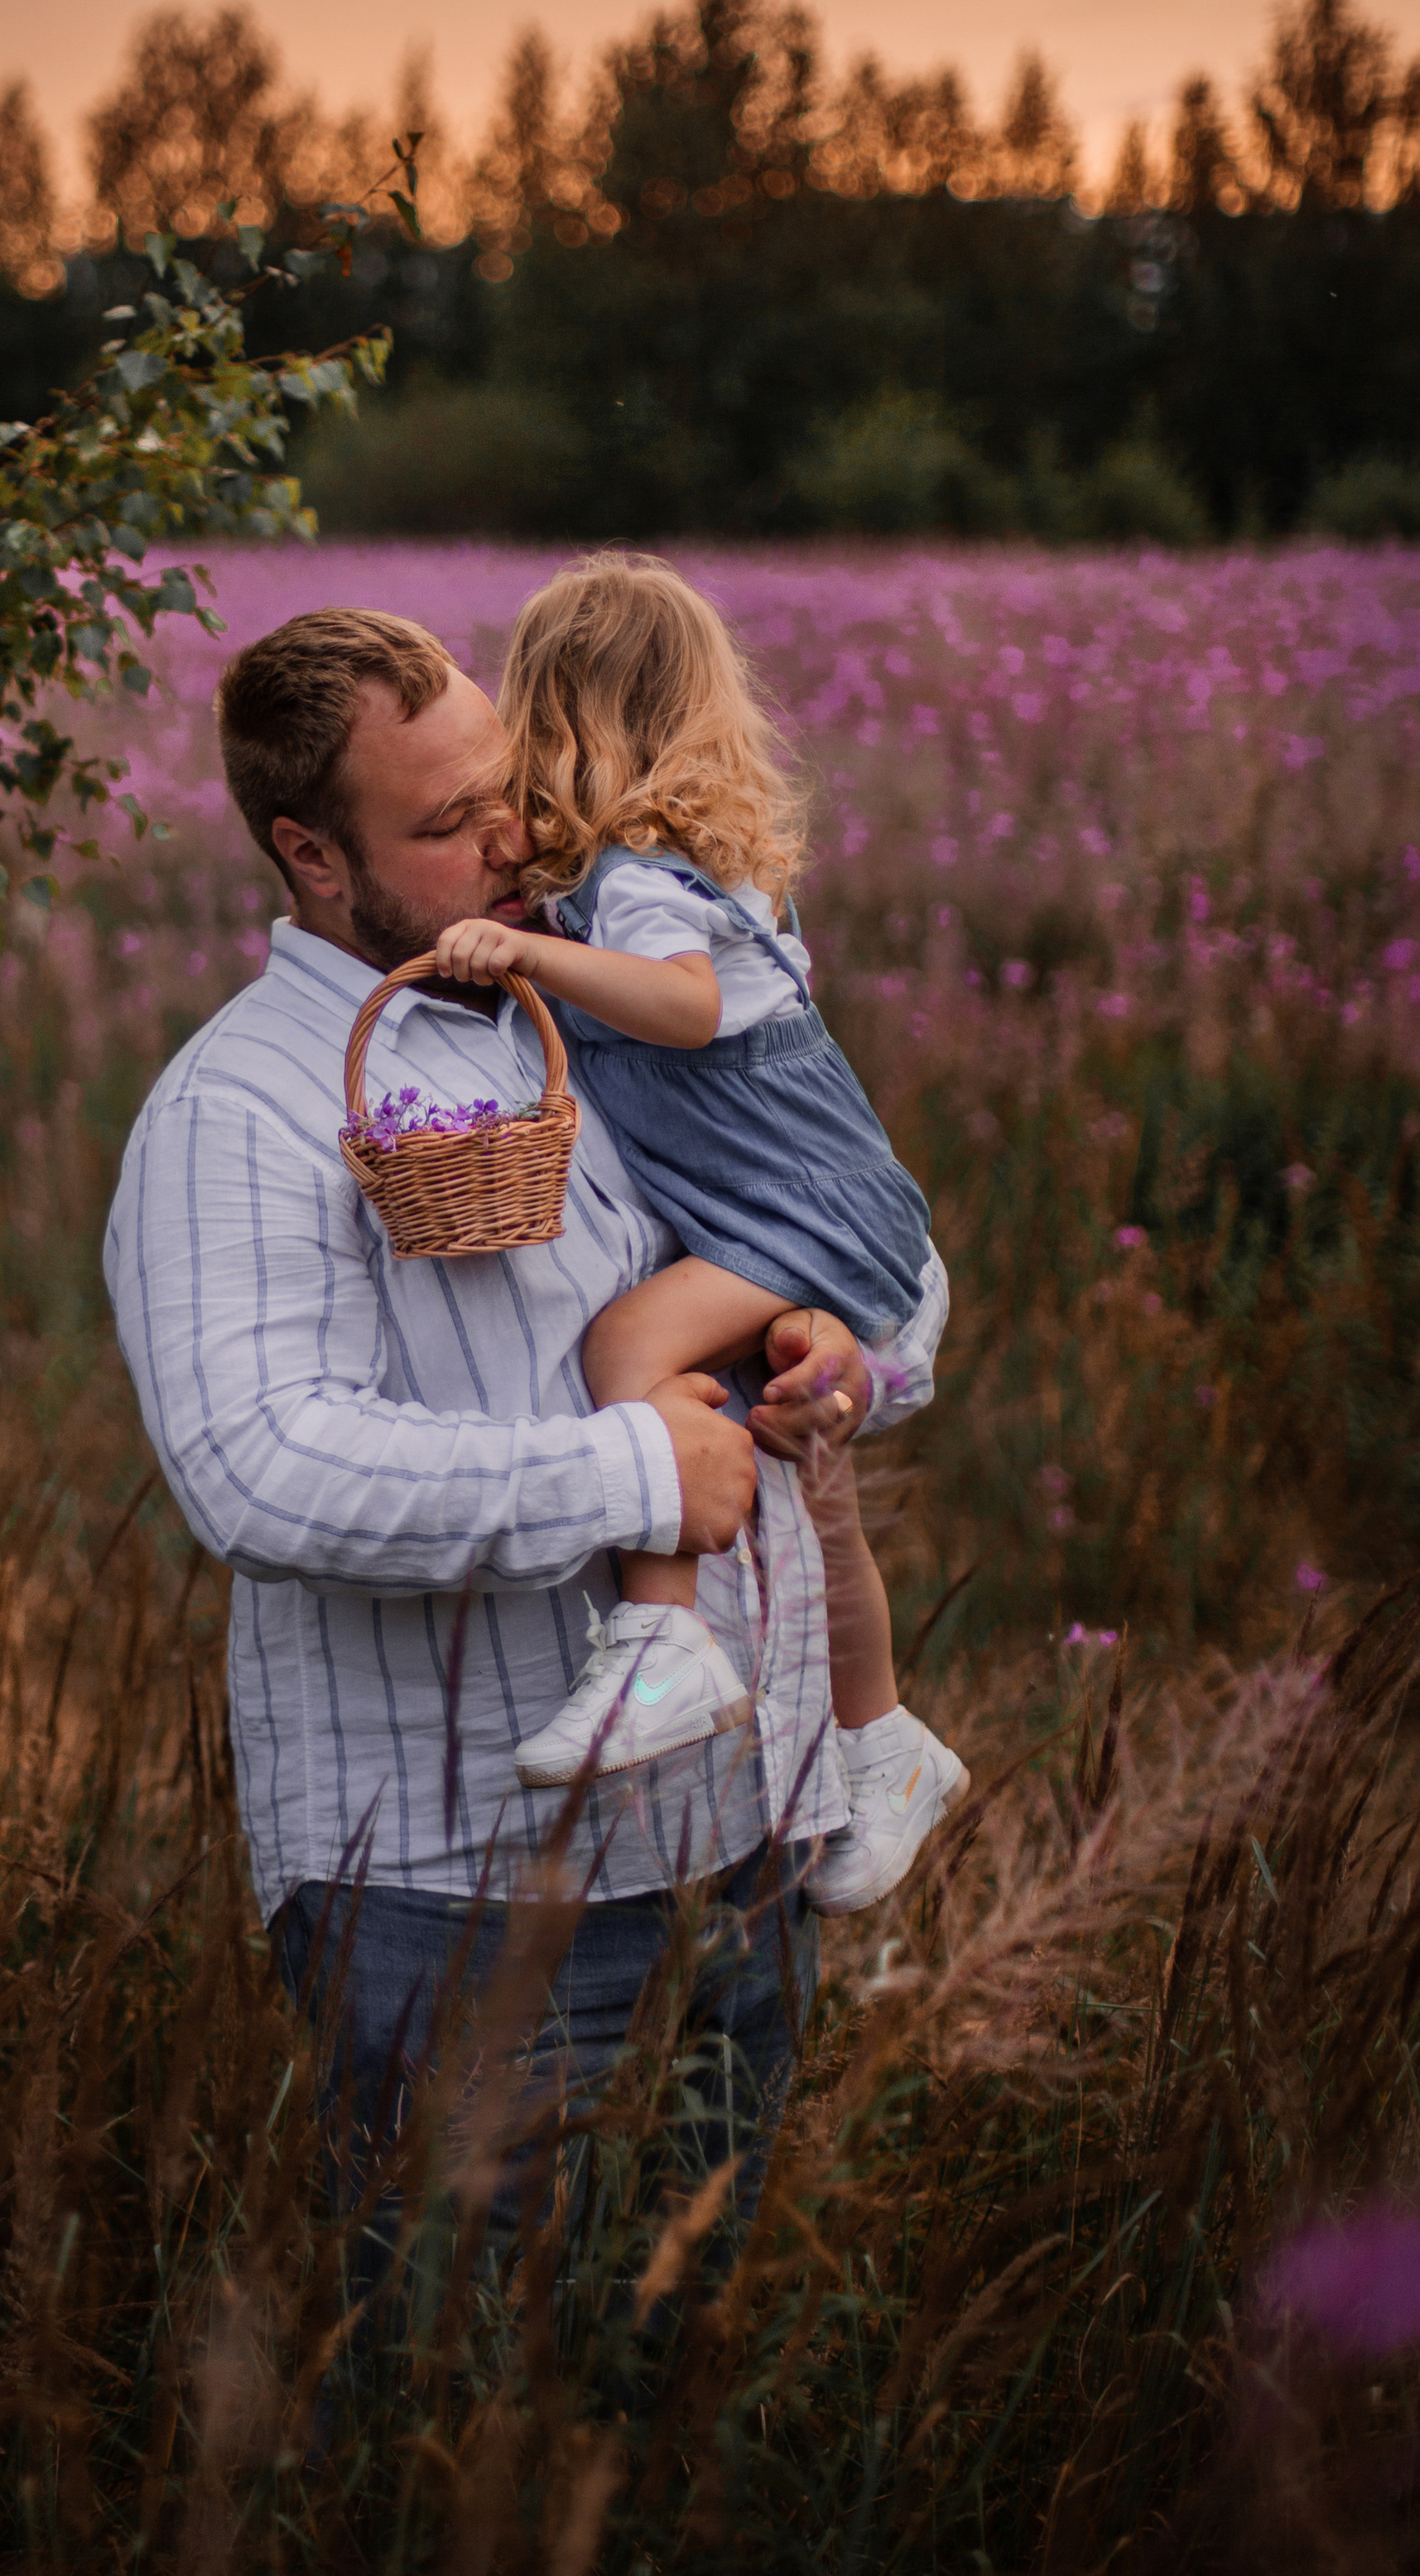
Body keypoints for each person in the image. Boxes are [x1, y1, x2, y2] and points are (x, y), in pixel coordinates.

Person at [103, 606, 947, 2256]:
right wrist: (637, 1470)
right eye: (439, 825)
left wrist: (848, 1361)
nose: (507, 838)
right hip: (456, 1888)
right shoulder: (244, 1105)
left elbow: (853, 1247)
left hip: (742, 1847)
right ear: (309, 857)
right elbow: (255, 1464)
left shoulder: (602, 1013)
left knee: (677, 2382)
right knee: (463, 2407)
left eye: (505, 788)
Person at [433, 555, 965, 1911]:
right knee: (794, 1479)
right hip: (803, 1212)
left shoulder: (641, 884)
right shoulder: (650, 874)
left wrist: (533, 956)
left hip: (805, 1214)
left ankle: (664, 1641)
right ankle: (883, 1740)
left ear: (566, 718)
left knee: (625, 1349)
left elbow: (679, 1008)